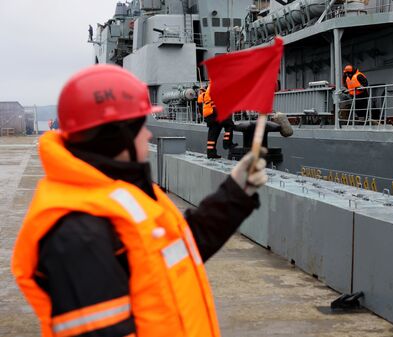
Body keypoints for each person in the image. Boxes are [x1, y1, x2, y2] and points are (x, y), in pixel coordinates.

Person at [12, 64, 268, 337]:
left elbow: (177, 248)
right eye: (140, 126)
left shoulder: (116, 192)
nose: (147, 135)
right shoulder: (78, 233)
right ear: (116, 135)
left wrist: (235, 193)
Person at [201, 83, 237, 159]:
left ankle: (211, 154)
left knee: (213, 134)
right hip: (216, 111)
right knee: (230, 124)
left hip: (209, 115)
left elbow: (201, 101)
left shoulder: (208, 89)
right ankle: (227, 143)